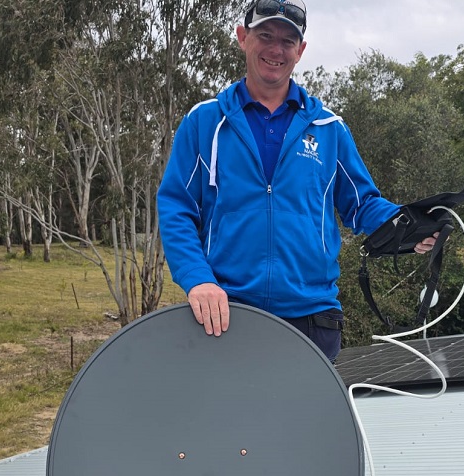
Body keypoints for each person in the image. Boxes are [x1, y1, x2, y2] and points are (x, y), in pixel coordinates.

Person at [157, 0, 437, 362]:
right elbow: (177, 207)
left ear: (301, 51)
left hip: (313, 319)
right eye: (265, 35)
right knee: (231, 421)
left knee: (306, 421)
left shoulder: (328, 129)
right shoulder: (204, 122)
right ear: (243, 38)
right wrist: (198, 278)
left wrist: (408, 225)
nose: (276, 49)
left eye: (288, 41)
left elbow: (362, 203)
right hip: (227, 315)